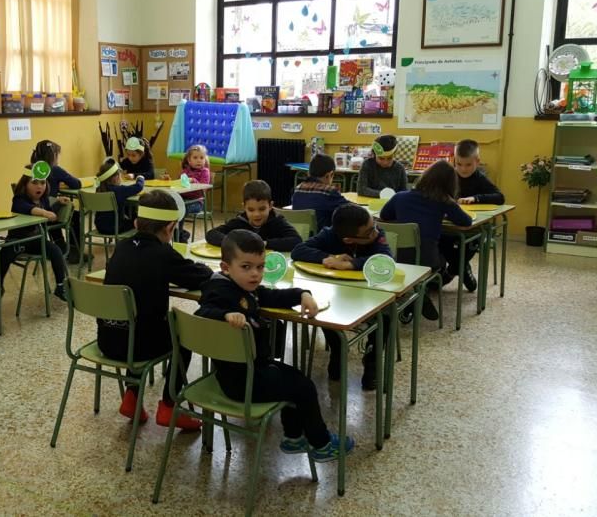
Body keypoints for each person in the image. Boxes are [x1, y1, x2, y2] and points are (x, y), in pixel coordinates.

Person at [196, 230, 354, 462]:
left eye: (260, 267)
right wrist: (225, 314)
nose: (255, 274)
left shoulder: (243, 288)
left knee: (295, 379)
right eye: (247, 267)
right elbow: (203, 311)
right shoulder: (219, 291)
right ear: (226, 267)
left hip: (247, 372)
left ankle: (293, 437)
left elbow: (271, 296)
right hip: (241, 382)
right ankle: (321, 444)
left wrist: (303, 294)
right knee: (303, 387)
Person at [97, 191, 212, 430]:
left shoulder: (121, 247)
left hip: (108, 341)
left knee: (136, 322)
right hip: (140, 347)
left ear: (137, 223)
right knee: (183, 338)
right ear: (171, 228)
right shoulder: (163, 254)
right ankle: (169, 406)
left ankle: (131, 396)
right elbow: (200, 278)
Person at [291, 204, 393, 389]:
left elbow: (386, 261)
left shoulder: (376, 234)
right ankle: (337, 349)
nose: (375, 232)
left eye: (374, 226)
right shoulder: (330, 234)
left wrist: (352, 264)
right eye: (369, 232)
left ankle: (372, 360)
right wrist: (328, 258)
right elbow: (298, 250)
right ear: (348, 239)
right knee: (324, 311)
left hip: (371, 295)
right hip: (338, 294)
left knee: (385, 316)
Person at [380, 160, 472, 323]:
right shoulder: (444, 201)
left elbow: (384, 215)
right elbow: (466, 222)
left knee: (427, 248)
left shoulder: (400, 197)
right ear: (449, 184)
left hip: (397, 258)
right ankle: (420, 292)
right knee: (445, 250)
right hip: (427, 262)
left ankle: (415, 293)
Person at [0, 162, 70, 305]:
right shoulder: (19, 199)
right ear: (24, 184)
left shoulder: (43, 200)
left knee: (55, 251)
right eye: (34, 182)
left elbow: (49, 215)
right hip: (16, 240)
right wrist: (43, 212)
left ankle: (60, 286)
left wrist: (58, 204)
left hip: (36, 240)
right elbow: (27, 209)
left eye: (42, 182)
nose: (39, 186)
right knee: (3, 256)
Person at [439, 139, 504, 292]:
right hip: (450, 225)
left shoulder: (480, 179)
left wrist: (476, 198)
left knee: (471, 241)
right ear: (455, 160)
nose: (463, 169)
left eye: (468, 165)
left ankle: (452, 270)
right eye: (459, 164)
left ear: (477, 161)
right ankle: (462, 268)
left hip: (473, 228)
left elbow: (500, 197)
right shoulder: (450, 176)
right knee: (439, 238)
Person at [205, 179, 301, 252]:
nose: (256, 214)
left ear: (270, 206)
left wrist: (264, 243)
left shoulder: (277, 221)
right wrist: (235, 243)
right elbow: (211, 234)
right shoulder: (239, 221)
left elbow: (296, 241)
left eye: (262, 209)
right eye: (251, 210)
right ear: (244, 207)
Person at [31, 139, 82, 263]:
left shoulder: (33, 168)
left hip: (35, 211)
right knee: (75, 216)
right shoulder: (54, 169)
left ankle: (60, 245)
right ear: (53, 155)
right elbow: (76, 184)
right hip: (48, 211)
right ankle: (75, 251)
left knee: (55, 211)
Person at [292, 154, 347, 229]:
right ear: (329, 175)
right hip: (321, 238)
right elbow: (351, 210)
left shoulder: (298, 188)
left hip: (301, 235)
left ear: (309, 173)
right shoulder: (329, 192)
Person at [94, 158, 144, 235]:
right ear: (116, 177)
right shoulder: (119, 190)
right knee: (138, 218)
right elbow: (138, 187)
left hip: (100, 227)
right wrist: (140, 178)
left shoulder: (99, 189)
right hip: (116, 227)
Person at [178, 144, 211, 242]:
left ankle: (179, 236)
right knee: (173, 206)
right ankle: (180, 233)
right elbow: (179, 186)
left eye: (202, 158)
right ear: (189, 160)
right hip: (183, 200)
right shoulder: (184, 172)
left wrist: (194, 181)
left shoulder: (205, 172)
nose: (199, 160)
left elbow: (203, 188)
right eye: (195, 157)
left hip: (197, 202)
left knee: (181, 209)